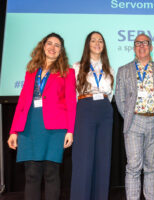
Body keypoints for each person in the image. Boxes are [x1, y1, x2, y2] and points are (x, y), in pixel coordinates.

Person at [7, 33, 76, 200]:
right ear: (43, 46)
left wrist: (70, 130)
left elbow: (71, 103)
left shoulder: (67, 72)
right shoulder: (31, 72)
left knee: (51, 174)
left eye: (57, 45)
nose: (52, 48)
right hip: (30, 126)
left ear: (61, 51)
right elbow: (22, 101)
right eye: (49, 44)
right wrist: (13, 131)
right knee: (31, 175)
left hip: (55, 130)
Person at [115, 33, 154, 200]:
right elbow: (120, 99)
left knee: (151, 167)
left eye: (145, 43)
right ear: (134, 47)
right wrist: (129, 117)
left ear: (151, 47)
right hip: (133, 122)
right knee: (134, 166)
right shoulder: (123, 70)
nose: (141, 46)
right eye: (138, 43)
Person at [70, 31, 114, 200]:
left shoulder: (109, 69)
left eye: (100, 41)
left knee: (103, 161)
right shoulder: (76, 67)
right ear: (88, 44)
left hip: (104, 111)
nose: (97, 43)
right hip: (84, 109)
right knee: (84, 161)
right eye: (94, 40)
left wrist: (103, 107)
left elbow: (110, 95)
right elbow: (72, 95)